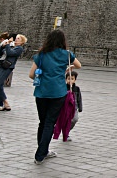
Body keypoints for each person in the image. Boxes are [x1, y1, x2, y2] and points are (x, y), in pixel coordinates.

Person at [28, 29, 81, 165]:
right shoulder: (66, 54)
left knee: (42, 122)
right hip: (58, 92)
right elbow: (78, 65)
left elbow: (31, 74)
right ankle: (41, 154)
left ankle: (43, 150)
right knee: (50, 123)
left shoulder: (41, 54)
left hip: (41, 92)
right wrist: (65, 68)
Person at [0, 34, 27, 113]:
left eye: (18, 38)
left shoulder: (19, 48)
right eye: (16, 38)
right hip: (0, 66)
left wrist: (7, 45)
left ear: (22, 41)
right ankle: (6, 105)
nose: (16, 39)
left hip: (7, 68)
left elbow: (10, 53)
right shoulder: (11, 46)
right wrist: (2, 46)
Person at [54, 70, 82, 142]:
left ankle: (67, 131)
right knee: (62, 120)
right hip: (64, 108)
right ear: (66, 79)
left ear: (75, 80)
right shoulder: (63, 87)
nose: (70, 80)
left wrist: (80, 107)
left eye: (72, 79)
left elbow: (79, 98)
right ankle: (59, 129)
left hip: (74, 108)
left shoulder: (77, 89)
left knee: (74, 119)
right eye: (68, 79)